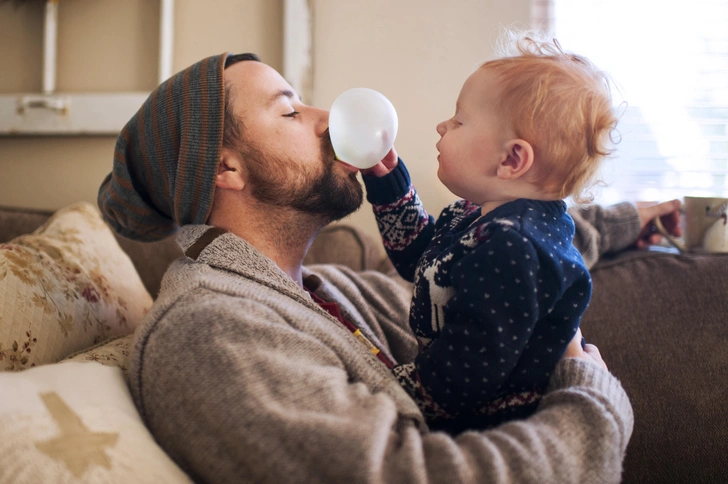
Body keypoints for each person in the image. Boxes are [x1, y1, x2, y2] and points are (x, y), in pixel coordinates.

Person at [96, 51, 675, 483]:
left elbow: (506, 249)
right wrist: (593, 402)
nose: (327, 118)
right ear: (226, 167)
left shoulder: (324, 293)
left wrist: (628, 221)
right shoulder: (209, 332)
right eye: (290, 111)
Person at [360, 33, 617, 431]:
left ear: (512, 159)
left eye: (459, 120)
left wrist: (389, 389)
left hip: (492, 426)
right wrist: (390, 183)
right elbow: (421, 260)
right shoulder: (479, 218)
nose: (442, 126)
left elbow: (470, 365)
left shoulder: (516, 246)